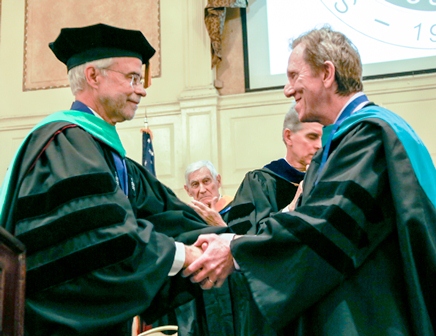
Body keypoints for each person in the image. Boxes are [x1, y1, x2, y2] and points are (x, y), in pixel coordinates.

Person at [183, 26, 436, 335]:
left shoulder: (368, 138)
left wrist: (236, 246)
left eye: (294, 76)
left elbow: (326, 228)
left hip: (372, 316)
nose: (288, 90)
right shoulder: (362, 137)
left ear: (327, 74)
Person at [0, 23, 226, 336]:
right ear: (93, 76)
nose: (142, 89)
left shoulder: (107, 156)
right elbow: (101, 239)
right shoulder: (63, 146)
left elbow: (165, 214)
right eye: (132, 78)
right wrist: (183, 254)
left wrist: (227, 241)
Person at [224, 103, 322, 235]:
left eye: (323, 137)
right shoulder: (259, 182)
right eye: (312, 137)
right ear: (288, 137)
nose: (320, 145)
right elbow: (245, 237)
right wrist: (290, 209)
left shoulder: (326, 177)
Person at [184, 160, 232, 227]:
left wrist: (218, 224)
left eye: (206, 181)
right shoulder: (188, 218)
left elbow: (245, 237)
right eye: (195, 184)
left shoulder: (237, 209)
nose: (202, 190)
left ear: (218, 181)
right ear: (188, 190)